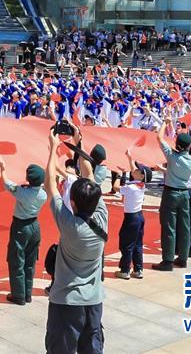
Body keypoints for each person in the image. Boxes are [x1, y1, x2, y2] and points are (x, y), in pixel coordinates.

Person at [45, 128, 108, 353]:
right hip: (93, 302)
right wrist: (78, 142)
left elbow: (50, 184)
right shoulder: (102, 216)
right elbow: (89, 174)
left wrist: (53, 148)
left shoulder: (70, 226)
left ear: (72, 203)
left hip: (67, 302)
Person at [0, 157, 47, 305]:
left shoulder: (22, 192)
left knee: (16, 259)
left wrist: (2, 168)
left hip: (21, 227)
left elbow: (7, 183)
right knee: (30, 261)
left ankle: (18, 295)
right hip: (35, 226)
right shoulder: (43, 194)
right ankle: (27, 294)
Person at [115, 149, 150, 280]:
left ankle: (125, 270)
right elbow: (133, 169)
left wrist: (119, 175)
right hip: (139, 217)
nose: (135, 170)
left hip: (131, 219)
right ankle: (138, 269)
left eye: (138, 170)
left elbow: (116, 187)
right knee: (138, 244)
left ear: (141, 176)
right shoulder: (141, 184)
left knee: (127, 243)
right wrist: (129, 157)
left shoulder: (131, 187)